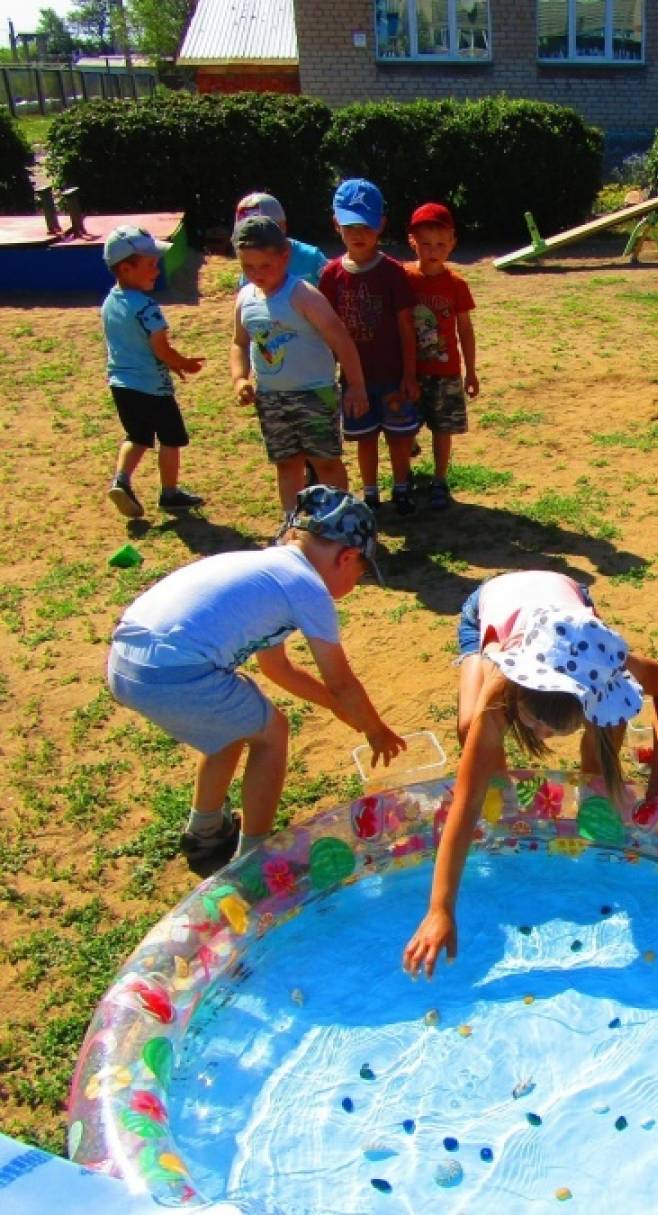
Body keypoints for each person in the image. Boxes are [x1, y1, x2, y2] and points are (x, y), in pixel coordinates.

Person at [402, 569, 658, 977]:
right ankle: (502, 800)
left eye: (555, 730)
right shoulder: (502, 685)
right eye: (535, 724)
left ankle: (595, 823)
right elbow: (464, 804)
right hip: (491, 608)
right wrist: (439, 908)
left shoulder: (607, 666)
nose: (541, 736)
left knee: (602, 749)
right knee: (473, 728)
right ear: (519, 690)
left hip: (569, 614)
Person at [107, 486, 406, 873]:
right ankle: (255, 855)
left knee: (229, 730)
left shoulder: (270, 570)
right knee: (271, 732)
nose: (356, 583)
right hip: (176, 674)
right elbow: (342, 683)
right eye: (361, 573)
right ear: (347, 557)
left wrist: (337, 708)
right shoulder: (307, 587)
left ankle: (206, 832)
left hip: (126, 663)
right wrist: (375, 730)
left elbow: (277, 668)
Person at [230, 216, 359, 522]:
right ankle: (292, 524)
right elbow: (239, 342)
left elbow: (340, 338)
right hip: (271, 397)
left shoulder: (303, 295)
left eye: (265, 265)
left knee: (325, 462)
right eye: (248, 267)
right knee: (287, 463)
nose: (257, 274)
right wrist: (239, 378)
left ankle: (336, 523)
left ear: (284, 256)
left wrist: (357, 385)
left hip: (314, 394)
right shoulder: (245, 298)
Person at [320, 178, 421, 515]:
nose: (358, 233)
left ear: (381, 225)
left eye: (366, 225)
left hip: (393, 375)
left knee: (399, 436)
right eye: (350, 225)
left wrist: (410, 374)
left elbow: (407, 326)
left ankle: (402, 487)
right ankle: (371, 493)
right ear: (337, 225)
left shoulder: (394, 273)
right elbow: (327, 331)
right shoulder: (331, 275)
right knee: (364, 438)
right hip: (354, 379)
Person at [101, 225, 205, 519]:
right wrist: (181, 362)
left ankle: (121, 480)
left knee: (137, 436)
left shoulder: (110, 301)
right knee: (171, 439)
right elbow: (160, 347)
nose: (156, 270)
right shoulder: (146, 307)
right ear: (126, 267)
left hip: (121, 385)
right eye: (150, 265)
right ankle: (170, 493)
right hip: (153, 388)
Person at [402, 202, 479, 511]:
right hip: (409, 369)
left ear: (452, 243)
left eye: (440, 244)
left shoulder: (457, 284)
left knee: (443, 428)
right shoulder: (403, 277)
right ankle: (402, 476)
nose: (433, 251)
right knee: (403, 427)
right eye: (425, 244)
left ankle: (439, 479)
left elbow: (465, 330)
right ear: (412, 242)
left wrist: (470, 371)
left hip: (446, 371)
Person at [233, 191, 329, 287]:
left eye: (263, 232)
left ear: (283, 226)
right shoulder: (251, 266)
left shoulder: (311, 258)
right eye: (246, 235)